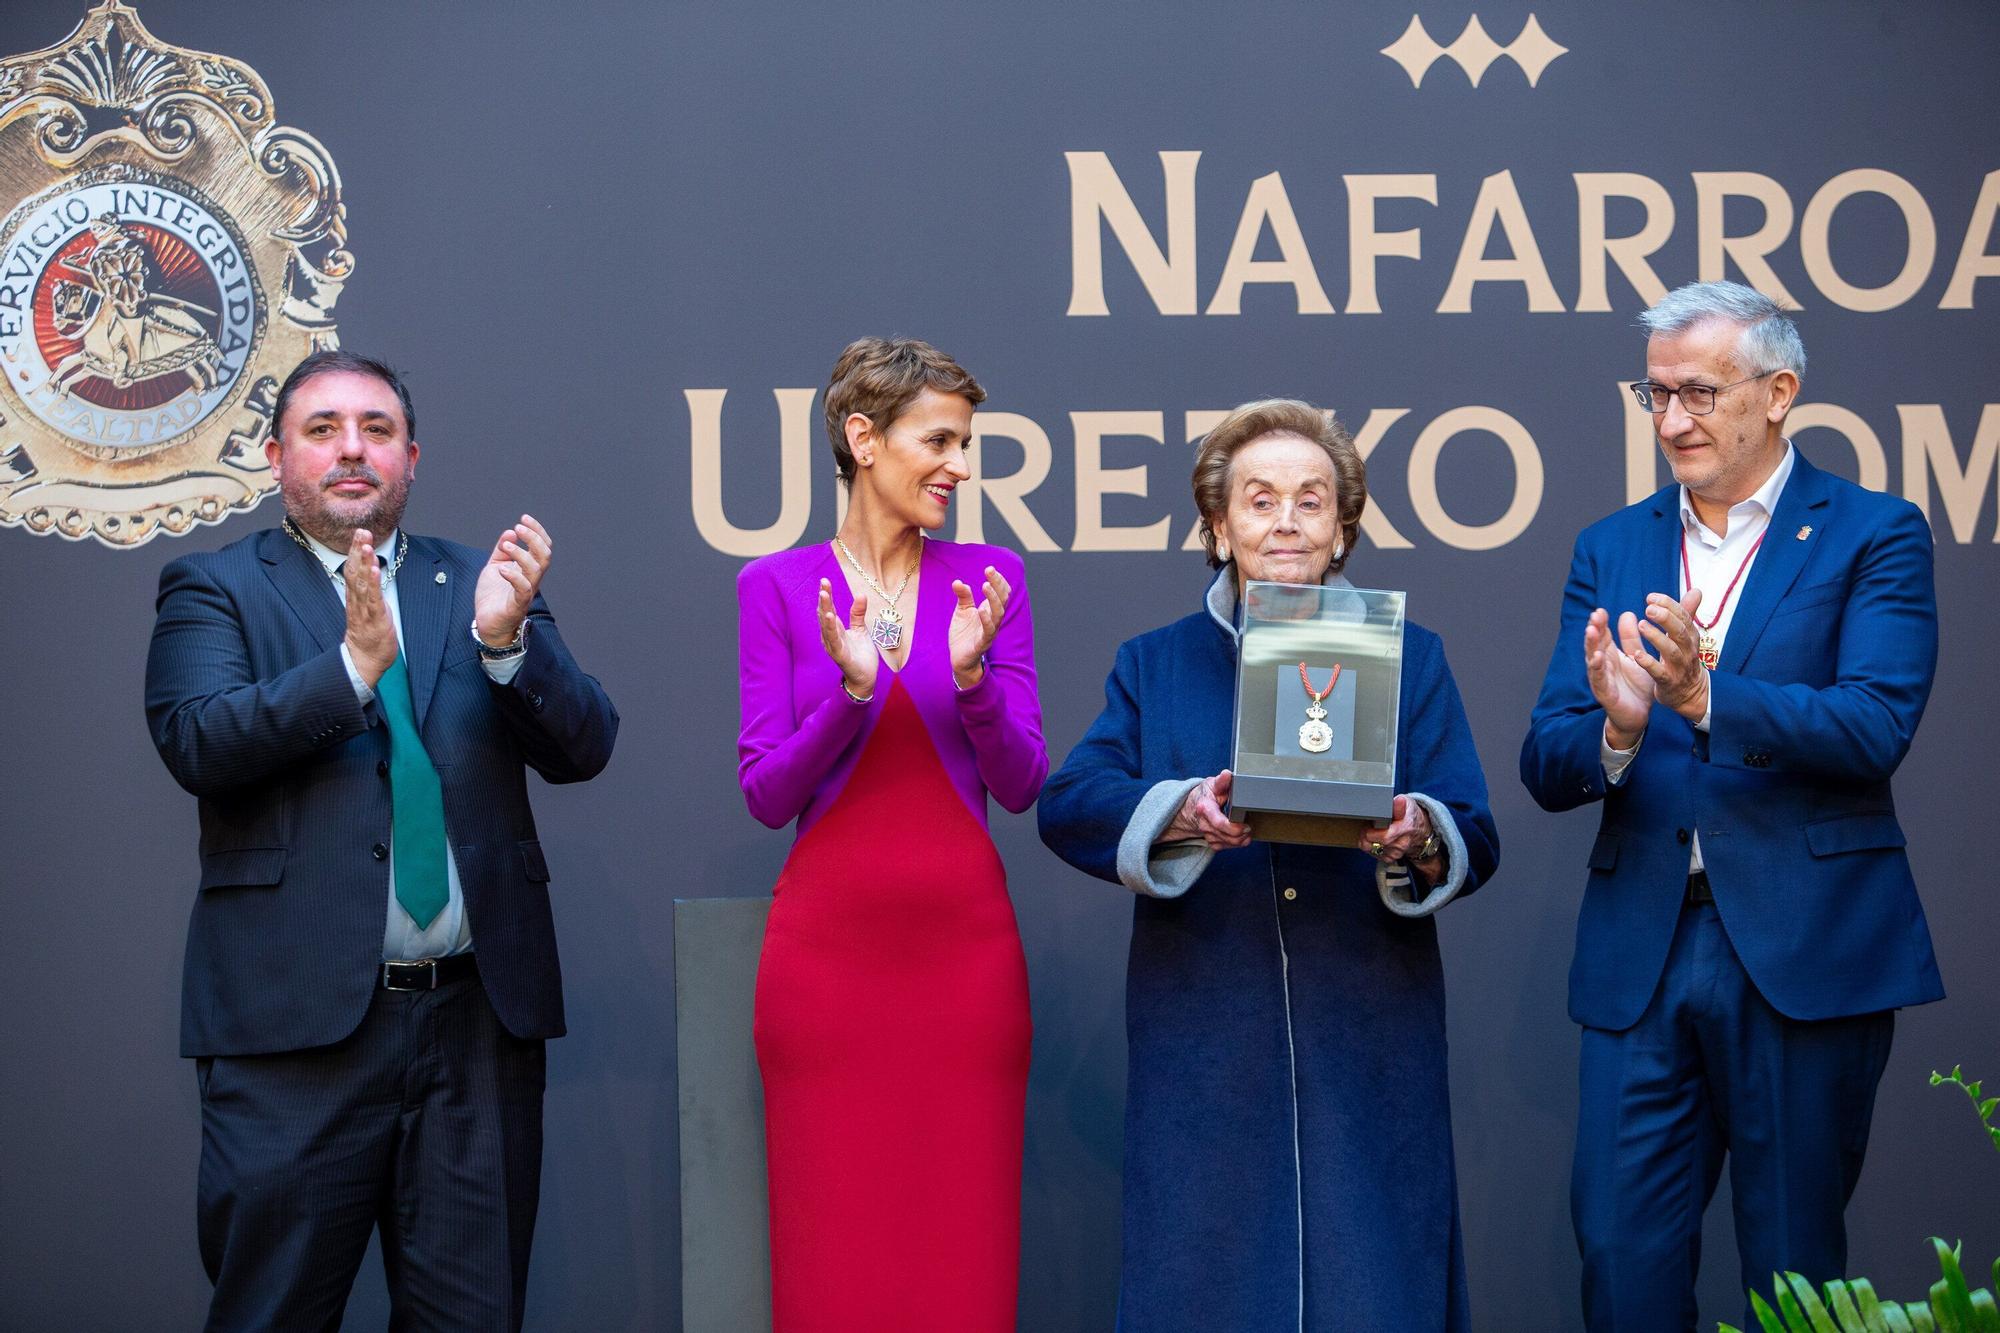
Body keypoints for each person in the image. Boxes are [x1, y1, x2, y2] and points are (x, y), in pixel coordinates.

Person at [143, 350, 619, 1331]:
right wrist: (351, 668)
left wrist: (505, 647)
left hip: (474, 1031)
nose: (351, 449)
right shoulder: (215, 586)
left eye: (376, 430)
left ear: (412, 457)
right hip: (293, 1039)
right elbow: (198, 737)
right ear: (276, 457)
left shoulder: (480, 586)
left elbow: (585, 746)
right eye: (322, 430)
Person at [1519, 281, 1942, 1332]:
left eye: (1698, 393)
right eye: (1652, 394)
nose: (1669, 421)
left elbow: (1872, 724)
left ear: (1778, 391)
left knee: (1794, 1275)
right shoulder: (1609, 546)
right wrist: (1617, 730)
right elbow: (1543, 758)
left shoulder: (1871, 535)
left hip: (1802, 948)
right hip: (1640, 953)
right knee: (1616, 1260)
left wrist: (1705, 699)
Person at [1038, 398, 1498, 1331]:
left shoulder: (1413, 657)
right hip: (1208, 1037)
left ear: (1342, 529)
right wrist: (1180, 810)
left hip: (1369, 1031)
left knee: (1376, 1281)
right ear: (1217, 526)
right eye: (1259, 500)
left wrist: (1416, 829)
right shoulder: (1154, 664)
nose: (1286, 521)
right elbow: (1069, 803)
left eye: (1311, 500)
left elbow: (1476, 830)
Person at [735, 337, 1047, 1329]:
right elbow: (765, 794)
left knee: (962, 1254)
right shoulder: (776, 588)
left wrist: (971, 681)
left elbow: (1022, 780)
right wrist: (851, 693)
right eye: (939, 439)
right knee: (834, 1257)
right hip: (826, 974)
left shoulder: (989, 579)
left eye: (965, 441)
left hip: (965, 968)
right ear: (863, 439)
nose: (958, 463)